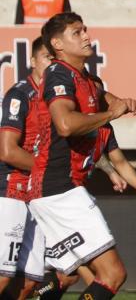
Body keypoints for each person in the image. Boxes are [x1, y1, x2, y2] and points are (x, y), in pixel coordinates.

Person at [26, 13, 136, 300]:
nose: (87, 36)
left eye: (85, 30)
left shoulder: (85, 78)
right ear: (57, 44)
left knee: (65, 275)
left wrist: (120, 103)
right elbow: (65, 124)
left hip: (59, 189)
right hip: (58, 189)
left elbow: (104, 96)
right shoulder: (58, 73)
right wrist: (110, 114)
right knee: (112, 275)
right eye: (77, 33)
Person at [0, 37, 51, 300]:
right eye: (46, 58)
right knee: (4, 275)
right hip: (12, 188)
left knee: (31, 281)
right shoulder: (20, 94)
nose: (51, 65)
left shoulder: (57, 98)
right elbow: (7, 151)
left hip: (38, 192)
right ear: (33, 61)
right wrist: (50, 171)